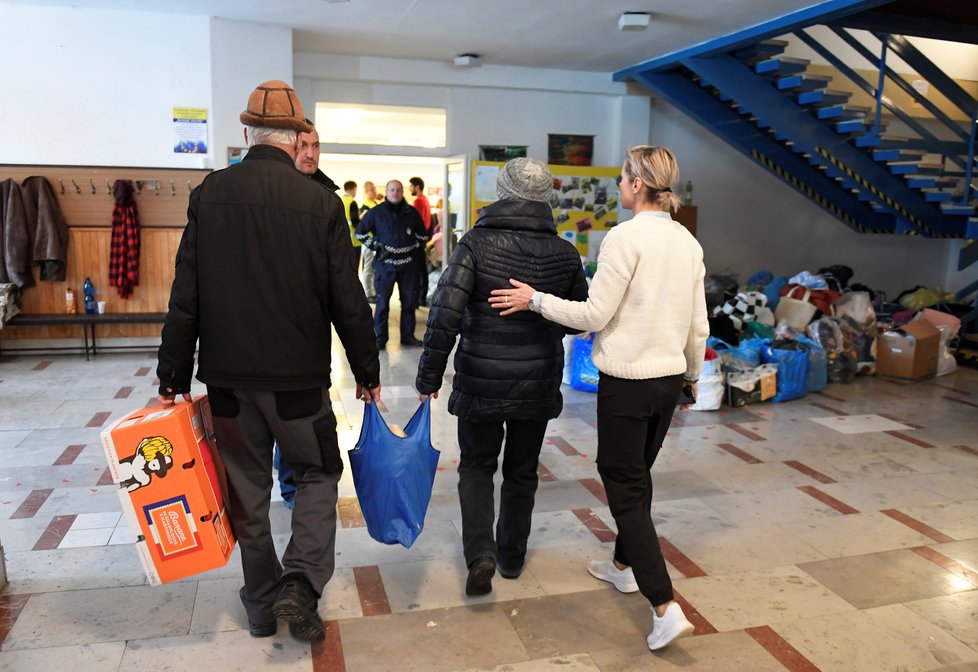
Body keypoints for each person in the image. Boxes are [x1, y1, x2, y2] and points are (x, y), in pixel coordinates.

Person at [156, 80, 381, 644]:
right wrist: (368, 372)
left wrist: (172, 378)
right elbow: (346, 298)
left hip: (228, 381)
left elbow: (186, 294)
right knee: (318, 473)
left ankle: (260, 604)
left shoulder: (209, 195)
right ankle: (300, 585)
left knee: (246, 489)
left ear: (247, 133)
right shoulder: (321, 203)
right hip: (298, 381)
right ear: (297, 137)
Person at [488, 145, 708, 652]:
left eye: (624, 176)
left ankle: (664, 605)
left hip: (628, 382)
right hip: (669, 378)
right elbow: (698, 323)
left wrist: (534, 300)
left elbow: (594, 315)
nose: (620, 184)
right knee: (638, 476)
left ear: (635, 183)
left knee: (624, 484)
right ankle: (622, 568)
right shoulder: (686, 241)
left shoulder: (624, 239)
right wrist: (691, 376)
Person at [416, 158, 587, 597]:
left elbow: (445, 313)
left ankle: (481, 555)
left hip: (480, 377)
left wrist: (429, 376)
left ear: (501, 191)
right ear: (546, 197)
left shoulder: (475, 243)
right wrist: (539, 304)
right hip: (538, 379)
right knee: (522, 471)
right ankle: (511, 556)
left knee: (475, 466)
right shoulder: (566, 253)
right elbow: (576, 321)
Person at [355, 180, 427, 349]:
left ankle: (407, 336)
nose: (395, 193)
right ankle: (380, 338)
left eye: (398, 190)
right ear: (386, 192)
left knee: (409, 303)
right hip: (384, 267)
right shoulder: (376, 212)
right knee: (382, 304)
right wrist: (376, 247)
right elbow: (360, 233)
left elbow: (423, 236)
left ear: (402, 193)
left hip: (408, 268)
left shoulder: (412, 213)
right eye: (392, 190)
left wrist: (414, 250)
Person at [408, 176, 432, 307]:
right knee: (422, 269)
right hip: (423, 239)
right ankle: (421, 297)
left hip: (417, 240)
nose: (410, 188)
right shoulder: (425, 200)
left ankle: (417, 298)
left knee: (416, 271)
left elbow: (416, 222)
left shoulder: (418, 201)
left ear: (417, 187)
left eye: (411, 186)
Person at [358, 181, 383, 303]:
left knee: (374, 268)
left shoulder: (375, 203)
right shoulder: (365, 206)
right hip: (369, 241)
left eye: (375, 189)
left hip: (377, 240)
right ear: (366, 192)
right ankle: (368, 293)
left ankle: (372, 291)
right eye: (372, 190)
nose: (375, 192)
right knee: (368, 268)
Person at [340, 180, 361, 271]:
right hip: (354, 242)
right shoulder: (352, 202)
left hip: (341, 241)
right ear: (354, 189)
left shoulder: (338, 200)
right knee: (354, 268)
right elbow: (355, 222)